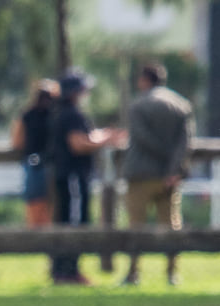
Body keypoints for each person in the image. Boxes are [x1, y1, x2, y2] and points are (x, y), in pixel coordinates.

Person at [121, 62, 194, 286]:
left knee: (136, 225)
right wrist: (174, 169)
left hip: (141, 174)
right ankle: (172, 273)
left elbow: (142, 138)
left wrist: (164, 159)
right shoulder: (181, 105)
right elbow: (185, 142)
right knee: (171, 224)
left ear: (145, 80)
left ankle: (133, 273)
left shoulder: (138, 105)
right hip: (169, 177)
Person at [50, 68, 125, 285]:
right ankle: (68, 270)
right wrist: (106, 141)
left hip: (70, 175)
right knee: (74, 222)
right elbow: (78, 144)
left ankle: (66, 269)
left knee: (72, 219)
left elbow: (85, 136)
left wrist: (102, 136)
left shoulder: (65, 112)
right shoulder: (71, 113)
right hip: (73, 176)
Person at [11, 78, 58, 228]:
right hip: (54, 164)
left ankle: (35, 239)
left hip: (34, 164)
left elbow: (17, 142)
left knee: (35, 205)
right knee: (52, 206)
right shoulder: (57, 114)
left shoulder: (27, 115)